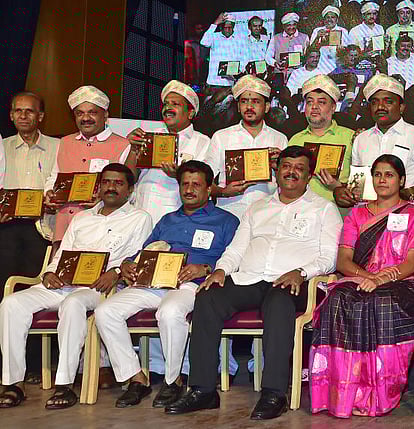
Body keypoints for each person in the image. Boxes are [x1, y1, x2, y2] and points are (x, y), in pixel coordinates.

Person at [165, 146, 342, 420]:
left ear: (309, 176)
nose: (291, 172)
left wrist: (302, 272)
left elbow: (330, 257)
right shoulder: (258, 207)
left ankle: (274, 393)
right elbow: (236, 249)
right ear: (276, 171)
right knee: (208, 296)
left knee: (279, 300)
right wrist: (220, 270)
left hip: (294, 282)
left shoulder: (324, 209)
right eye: (286, 166)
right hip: (251, 278)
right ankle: (202, 389)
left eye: (299, 168)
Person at [0, 164, 152, 409]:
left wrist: (115, 272)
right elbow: (61, 254)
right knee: (11, 303)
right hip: (64, 282)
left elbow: (136, 256)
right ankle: (13, 383)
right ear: (99, 186)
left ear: (130, 190)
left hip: (100, 287)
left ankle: (65, 384)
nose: (111, 187)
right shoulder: (82, 218)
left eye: (118, 183)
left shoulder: (139, 218)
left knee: (73, 304)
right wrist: (49, 273)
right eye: (106, 182)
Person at [94, 161, 239, 409]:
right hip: (154, 282)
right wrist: (128, 264)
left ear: (209, 189)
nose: (189, 190)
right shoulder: (167, 220)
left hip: (192, 284)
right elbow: (144, 251)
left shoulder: (226, 221)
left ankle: (173, 381)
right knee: (105, 311)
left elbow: (237, 260)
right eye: (185, 184)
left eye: (196, 185)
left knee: (170, 312)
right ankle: (136, 378)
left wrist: (206, 269)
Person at [309, 154, 414, 417]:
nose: (382, 180)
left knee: (381, 301)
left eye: (389, 175)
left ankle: (380, 393)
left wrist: (380, 279)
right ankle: (344, 395)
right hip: (360, 278)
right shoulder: (356, 215)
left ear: (401, 180)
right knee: (338, 298)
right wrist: (368, 277)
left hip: (402, 282)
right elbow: (343, 261)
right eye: (378, 174)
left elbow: (411, 264)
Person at [333, 74, 414, 208]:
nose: (380, 107)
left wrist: (406, 194)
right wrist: (344, 194)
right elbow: (358, 183)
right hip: (368, 214)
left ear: (401, 107)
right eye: (374, 102)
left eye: (388, 102)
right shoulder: (361, 139)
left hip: (405, 214)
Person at [45, 86, 130, 243]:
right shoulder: (65, 142)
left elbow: (129, 189)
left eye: (92, 112)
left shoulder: (123, 145)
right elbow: (54, 176)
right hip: (64, 224)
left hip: (99, 227)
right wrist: (49, 192)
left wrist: (103, 198)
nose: (85, 118)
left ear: (105, 115)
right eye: (80, 113)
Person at [122, 80, 212, 225]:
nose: (168, 108)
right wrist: (133, 150)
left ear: (190, 113)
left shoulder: (203, 142)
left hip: (178, 217)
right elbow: (127, 179)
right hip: (140, 212)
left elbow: (205, 184)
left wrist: (179, 175)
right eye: (166, 104)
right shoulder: (147, 136)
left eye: (175, 104)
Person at [204, 75, 289, 220]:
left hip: (268, 215)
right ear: (238, 107)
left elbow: (289, 184)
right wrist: (224, 192)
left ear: (267, 107)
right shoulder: (221, 137)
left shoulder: (279, 139)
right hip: (228, 212)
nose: (249, 107)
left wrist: (278, 167)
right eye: (244, 101)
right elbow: (203, 180)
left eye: (256, 101)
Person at [0, 92, 58, 295]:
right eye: (18, 111)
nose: (23, 116)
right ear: (11, 115)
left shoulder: (59, 147)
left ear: (40, 116)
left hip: (42, 227)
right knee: (4, 285)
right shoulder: (2, 147)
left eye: (29, 111)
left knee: (34, 289)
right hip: (6, 226)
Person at [287, 75, 355, 208]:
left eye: (322, 102)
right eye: (310, 102)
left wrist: (338, 187)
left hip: (338, 209)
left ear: (333, 107)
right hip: (299, 210)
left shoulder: (351, 138)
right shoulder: (295, 140)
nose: (314, 107)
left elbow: (362, 184)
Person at [200, 13, 243, 88]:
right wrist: (215, 24)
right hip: (214, 81)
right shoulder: (214, 36)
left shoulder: (239, 39)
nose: (227, 30)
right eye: (225, 27)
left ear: (233, 27)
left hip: (231, 82)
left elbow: (242, 58)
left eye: (230, 27)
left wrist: (239, 71)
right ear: (220, 27)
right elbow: (204, 42)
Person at [266, 12, 310, 82]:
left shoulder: (304, 37)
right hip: (280, 74)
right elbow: (268, 57)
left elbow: (307, 56)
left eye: (294, 24)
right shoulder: (276, 38)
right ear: (283, 26)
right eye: (288, 25)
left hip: (298, 74)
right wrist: (275, 63)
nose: (291, 27)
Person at [310, 6, 349, 74]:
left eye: (332, 17)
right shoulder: (317, 30)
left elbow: (347, 52)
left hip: (337, 66)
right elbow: (311, 50)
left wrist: (341, 50)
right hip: (320, 65)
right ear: (324, 19)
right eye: (327, 17)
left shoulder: (343, 31)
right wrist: (317, 37)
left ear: (337, 19)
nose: (330, 20)